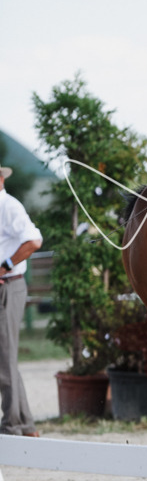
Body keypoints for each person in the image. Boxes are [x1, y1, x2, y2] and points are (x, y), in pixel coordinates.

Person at [0, 165, 43, 437]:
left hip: (8, 286)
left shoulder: (8, 205)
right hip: (7, 285)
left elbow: (34, 240)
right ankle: (24, 424)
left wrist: (4, 266)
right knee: (5, 357)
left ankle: (12, 425)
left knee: (4, 357)